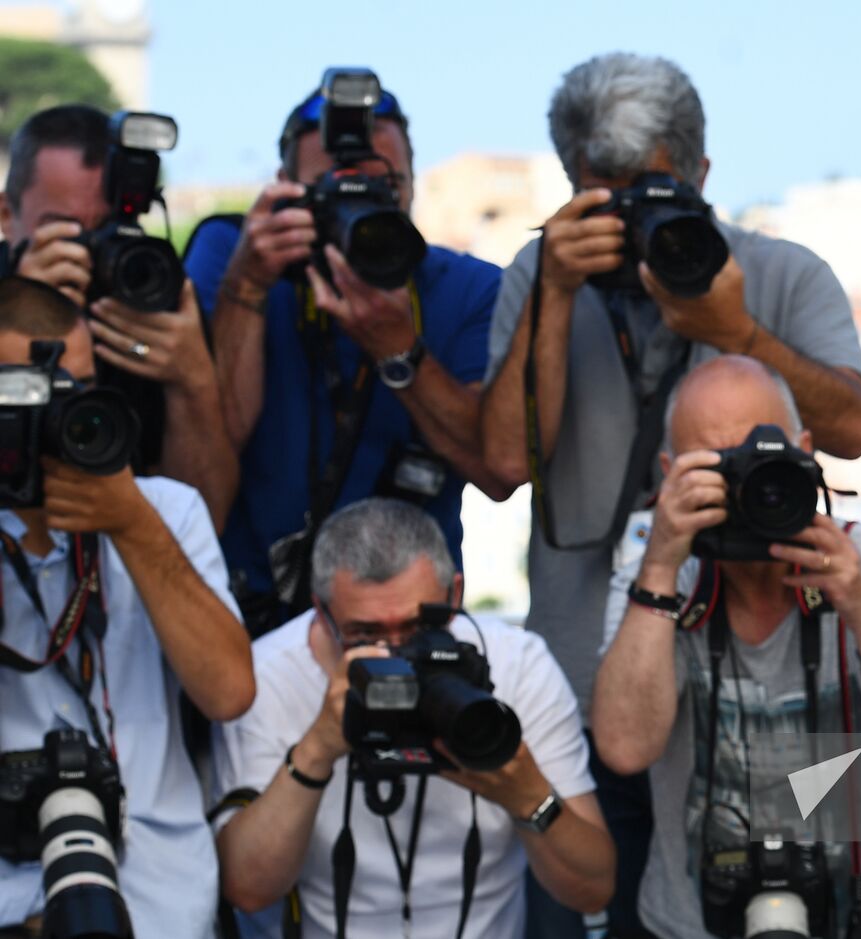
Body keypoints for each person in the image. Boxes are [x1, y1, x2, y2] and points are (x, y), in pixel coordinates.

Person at [479, 53, 861, 935]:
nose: (630, 223)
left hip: (753, 711)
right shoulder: (540, 275)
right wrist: (554, 290)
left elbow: (851, 428)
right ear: (572, 185)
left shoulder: (780, 273)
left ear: (701, 173)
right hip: (580, 691)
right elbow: (503, 462)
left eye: (653, 193)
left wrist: (735, 331)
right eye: (606, 196)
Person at [593, 356, 861, 938]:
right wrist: (659, 566)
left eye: (762, 460)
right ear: (669, 473)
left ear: (804, 452)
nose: (745, 487)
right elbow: (624, 749)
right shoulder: (655, 582)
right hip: (692, 926)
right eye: (717, 468)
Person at [184, 75, 504, 636]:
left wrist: (398, 349)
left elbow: (499, 473)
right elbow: (208, 451)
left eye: (383, 188)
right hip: (244, 617)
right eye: (333, 190)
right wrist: (247, 288)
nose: (360, 210)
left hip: (404, 626)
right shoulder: (235, 256)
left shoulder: (468, 287)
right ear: (285, 189)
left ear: (412, 186)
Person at [210, 497, 613, 939]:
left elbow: (593, 889)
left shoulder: (517, 664)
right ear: (322, 614)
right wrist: (316, 751)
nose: (397, 654)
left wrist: (528, 796)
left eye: (419, 628)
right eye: (366, 634)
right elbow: (247, 890)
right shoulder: (267, 677)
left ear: (454, 595)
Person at [0, 276, 253, 939]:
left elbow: (228, 691)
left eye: (78, 392)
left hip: (157, 903)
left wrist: (132, 524)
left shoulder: (164, 510)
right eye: (31, 396)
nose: (60, 419)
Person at [0, 104, 238, 529]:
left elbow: (204, 521)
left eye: (108, 230)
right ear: (5, 215)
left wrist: (192, 381)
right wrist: (21, 312)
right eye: (67, 229)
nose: (93, 251)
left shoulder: (156, 304)